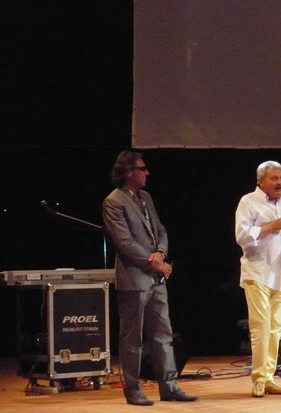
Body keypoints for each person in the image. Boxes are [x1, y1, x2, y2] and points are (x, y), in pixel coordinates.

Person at [103, 151, 197, 406]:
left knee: (163, 334)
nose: (147, 172)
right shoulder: (113, 201)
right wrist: (152, 260)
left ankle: (169, 386)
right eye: (142, 168)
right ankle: (133, 389)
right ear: (128, 172)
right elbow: (124, 242)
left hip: (156, 279)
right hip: (134, 279)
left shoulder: (146, 198)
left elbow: (161, 231)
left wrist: (161, 253)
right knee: (132, 339)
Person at [235, 161, 281, 397]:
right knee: (261, 328)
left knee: (275, 329)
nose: (279, 182)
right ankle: (258, 378)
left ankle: (268, 377)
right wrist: (269, 227)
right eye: (274, 178)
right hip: (258, 273)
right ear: (261, 181)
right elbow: (242, 236)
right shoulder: (248, 202)